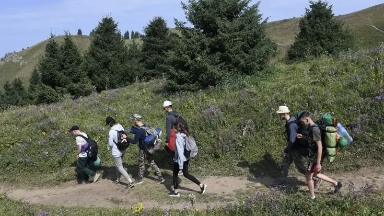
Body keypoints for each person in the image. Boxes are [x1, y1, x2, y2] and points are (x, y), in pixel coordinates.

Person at [298, 112, 342, 199]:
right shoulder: (312, 128)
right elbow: (312, 140)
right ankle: (336, 184)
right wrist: (303, 137)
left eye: (302, 121)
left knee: (308, 175)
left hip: (315, 156)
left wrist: (318, 163)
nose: (302, 123)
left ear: (307, 120)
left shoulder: (315, 130)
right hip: (314, 155)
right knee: (316, 174)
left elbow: (320, 147)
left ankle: (312, 197)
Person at [275, 106, 322, 187]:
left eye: (280, 114)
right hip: (292, 148)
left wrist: (286, 151)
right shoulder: (291, 121)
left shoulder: (291, 125)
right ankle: (282, 181)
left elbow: (292, 140)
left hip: (295, 149)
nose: (279, 116)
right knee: (285, 164)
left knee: (300, 167)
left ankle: (316, 178)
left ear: (284, 113)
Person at [168, 122, 207, 197]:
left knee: (175, 174)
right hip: (186, 157)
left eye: (173, 128)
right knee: (186, 174)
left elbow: (179, 151)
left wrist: (180, 163)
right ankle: (201, 185)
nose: (172, 129)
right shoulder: (185, 135)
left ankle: (176, 192)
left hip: (180, 159)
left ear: (176, 129)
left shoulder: (178, 137)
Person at [125, 114, 164, 185]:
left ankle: (139, 179)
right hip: (150, 148)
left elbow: (134, 141)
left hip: (143, 150)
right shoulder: (146, 126)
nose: (133, 122)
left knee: (141, 164)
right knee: (152, 163)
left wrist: (126, 137)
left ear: (136, 120)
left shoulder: (140, 131)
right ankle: (160, 177)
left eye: (134, 120)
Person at [106, 116, 135, 188]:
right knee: (117, 165)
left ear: (109, 124)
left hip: (116, 151)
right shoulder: (120, 127)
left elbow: (110, 144)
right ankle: (118, 179)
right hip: (123, 149)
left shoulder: (111, 131)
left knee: (119, 167)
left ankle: (130, 182)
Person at [163, 100, 184, 176]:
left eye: (164, 108)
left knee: (171, 150)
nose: (164, 110)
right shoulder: (177, 114)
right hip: (181, 134)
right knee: (179, 151)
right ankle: (182, 167)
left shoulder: (168, 117)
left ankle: (179, 168)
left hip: (173, 136)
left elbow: (168, 130)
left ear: (167, 108)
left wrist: (167, 140)